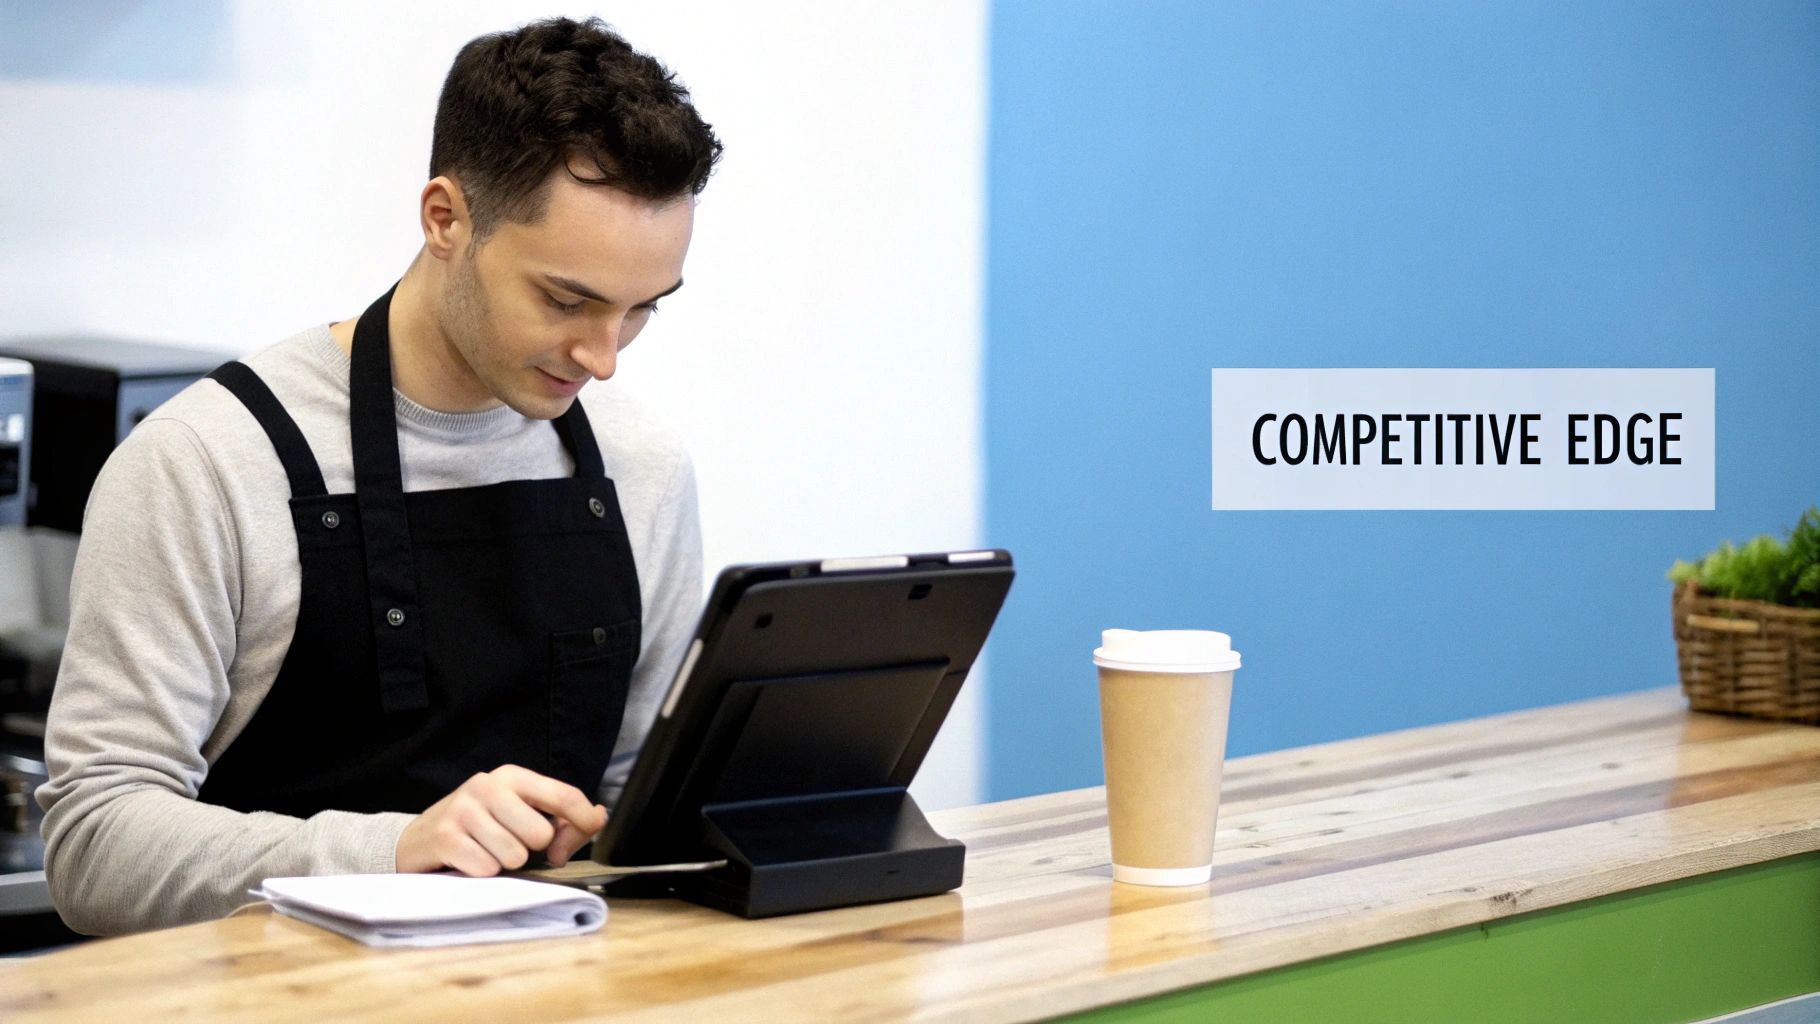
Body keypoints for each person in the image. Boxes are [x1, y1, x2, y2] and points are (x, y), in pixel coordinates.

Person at [36, 16, 721, 935]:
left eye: (642, 311)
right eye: (567, 300)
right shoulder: (205, 464)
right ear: (445, 219)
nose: (603, 359)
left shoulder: (641, 465)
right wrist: (387, 857)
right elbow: (94, 843)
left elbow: (639, 799)